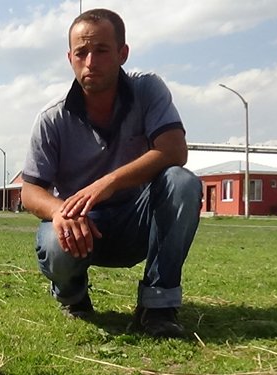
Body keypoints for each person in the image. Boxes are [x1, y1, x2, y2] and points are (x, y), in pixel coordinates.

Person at [20, 8, 202, 338]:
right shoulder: (51, 118)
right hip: (83, 227)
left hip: (141, 221)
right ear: (69, 57)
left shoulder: (148, 90)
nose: (91, 61)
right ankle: (73, 297)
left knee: (182, 182)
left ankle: (157, 307)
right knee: (52, 238)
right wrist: (61, 211)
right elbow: (30, 191)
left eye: (102, 50)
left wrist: (109, 182)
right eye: (81, 52)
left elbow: (174, 150)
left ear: (122, 53)